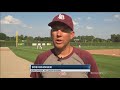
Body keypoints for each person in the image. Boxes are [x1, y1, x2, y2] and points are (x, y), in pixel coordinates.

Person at [30, 13, 100, 78]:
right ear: (51, 33)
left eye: (64, 30)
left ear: (72, 35)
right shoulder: (41, 59)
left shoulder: (86, 57)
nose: (58, 34)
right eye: (55, 29)